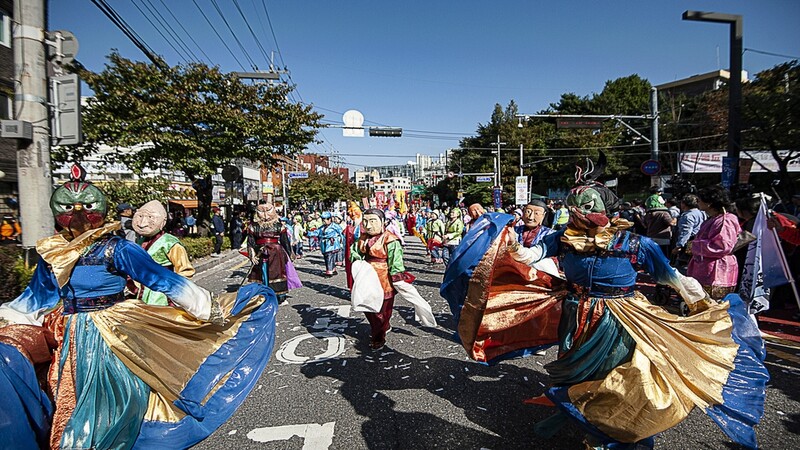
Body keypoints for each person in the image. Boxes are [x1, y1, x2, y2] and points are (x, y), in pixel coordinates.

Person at [0, 165, 278, 449]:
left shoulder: (116, 248)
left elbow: (165, 280)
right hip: (71, 336)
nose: (79, 214)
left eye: (87, 207)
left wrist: (210, 309)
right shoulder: (53, 254)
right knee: (69, 397)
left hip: (117, 331)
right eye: (69, 207)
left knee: (124, 396)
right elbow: (34, 300)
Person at [504, 163, 767, 449]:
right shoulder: (563, 238)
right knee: (577, 373)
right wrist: (512, 246)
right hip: (577, 314)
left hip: (621, 319)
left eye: (586, 205)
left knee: (616, 377)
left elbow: (670, 276)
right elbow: (531, 256)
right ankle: (582, 414)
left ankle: (612, 434)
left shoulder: (635, 243)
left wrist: (699, 301)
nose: (579, 212)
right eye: (573, 206)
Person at [349, 209, 411, 349]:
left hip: (384, 278)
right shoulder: (363, 238)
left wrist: (397, 278)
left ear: (383, 222)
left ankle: (379, 336)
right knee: (368, 307)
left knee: (383, 311)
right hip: (366, 276)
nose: (369, 225)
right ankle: (379, 329)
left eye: (373, 221)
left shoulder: (391, 239)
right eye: (365, 221)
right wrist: (357, 260)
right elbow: (354, 251)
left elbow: (396, 261)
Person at [132, 200, 195, 305]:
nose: (143, 223)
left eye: (150, 217)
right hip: (143, 291)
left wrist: (174, 290)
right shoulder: (140, 241)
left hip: (162, 294)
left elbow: (185, 270)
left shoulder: (169, 243)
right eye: (140, 216)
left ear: (163, 222)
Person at [687, 184, 742, 300]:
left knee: (713, 304)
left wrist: (694, 245)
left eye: (699, 200)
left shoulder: (725, 220)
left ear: (709, 203)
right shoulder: (715, 219)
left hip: (718, 270)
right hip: (706, 267)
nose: (697, 202)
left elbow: (722, 246)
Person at [245, 202, 299, 303]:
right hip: (260, 253)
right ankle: (263, 294)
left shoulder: (279, 226)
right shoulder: (253, 226)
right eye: (262, 211)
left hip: (276, 254)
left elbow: (285, 241)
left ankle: (279, 296)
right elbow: (250, 242)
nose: (265, 215)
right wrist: (252, 255)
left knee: (278, 273)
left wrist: (289, 254)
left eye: (268, 211)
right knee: (261, 273)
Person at [670, 194, 706, 271]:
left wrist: (679, 245)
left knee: (682, 267)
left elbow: (686, 232)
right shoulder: (702, 213)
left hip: (688, 243)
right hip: (699, 242)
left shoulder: (687, 216)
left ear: (684, 204)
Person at [313, 211, 343, 277]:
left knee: (329, 257)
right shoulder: (322, 227)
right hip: (324, 244)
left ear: (329, 219)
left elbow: (342, 233)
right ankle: (333, 269)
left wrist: (342, 241)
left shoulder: (335, 226)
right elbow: (317, 232)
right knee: (328, 257)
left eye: (325, 219)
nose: (323, 221)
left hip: (332, 244)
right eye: (322, 219)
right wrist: (308, 233)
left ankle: (329, 272)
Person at [344, 202, 363, 290]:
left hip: (362, 253)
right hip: (352, 253)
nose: (353, 215)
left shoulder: (363, 226)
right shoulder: (350, 227)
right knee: (353, 272)